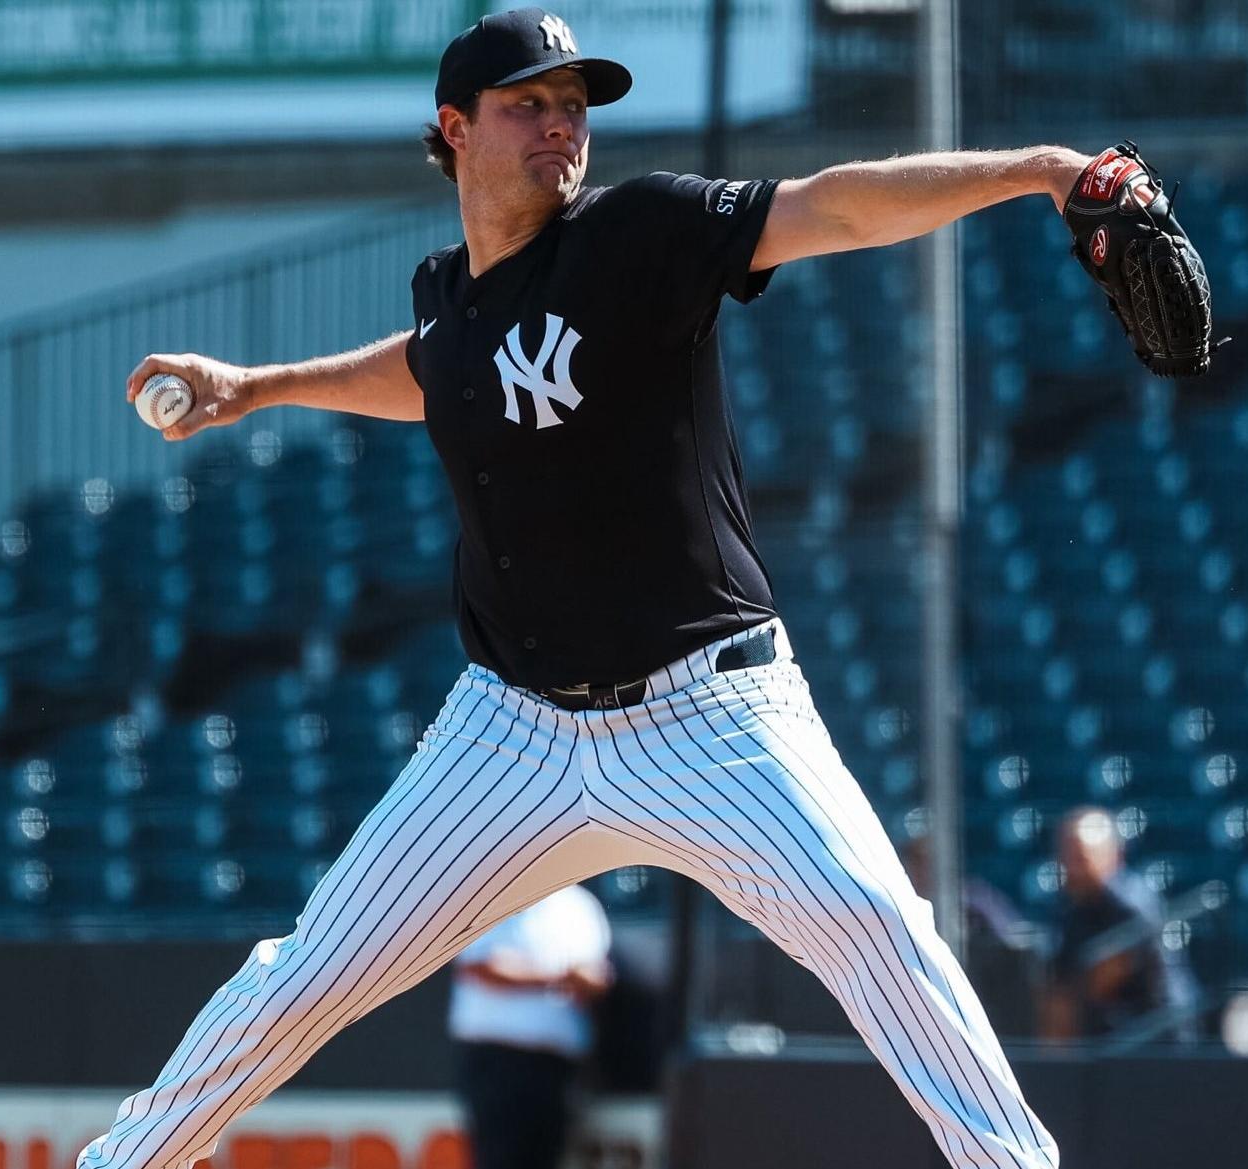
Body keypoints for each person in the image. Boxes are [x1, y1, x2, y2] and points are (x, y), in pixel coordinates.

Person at [84, 9, 1094, 1166]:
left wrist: (1040, 171)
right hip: (508, 730)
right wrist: (257, 387)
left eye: (574, 107)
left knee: (885, 936)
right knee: (305, 972)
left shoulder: (638, 234)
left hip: (711, 714)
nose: (562, 126)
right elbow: (431, 371)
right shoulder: (449, 301)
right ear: (454, 129)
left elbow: (835, 204)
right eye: (530, 105)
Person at [448, 884, 612, 1169]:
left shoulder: (579, 905)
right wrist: (559, 974)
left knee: (544, 1157)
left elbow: (599, 975)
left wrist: (580, 978)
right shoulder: (494, 894)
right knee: (500, 1158)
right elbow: (481, 965)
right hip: (497, 1061)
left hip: (555, 1067)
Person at [1037, 807, 1187, 1042]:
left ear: (1113, 856)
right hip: (1108, 1039)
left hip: (1156, 1036)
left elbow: (1100, 983)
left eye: (1081, 859)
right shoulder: (1069, 907)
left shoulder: (1130, 906)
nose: (1072, 868)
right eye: (1067, 858)